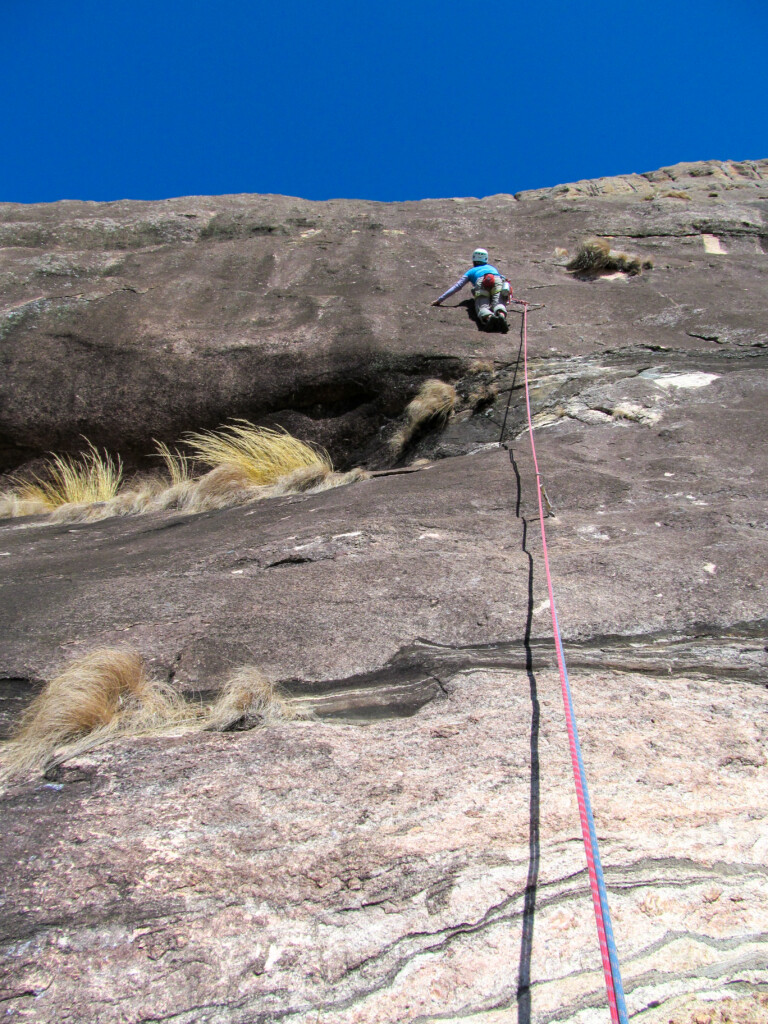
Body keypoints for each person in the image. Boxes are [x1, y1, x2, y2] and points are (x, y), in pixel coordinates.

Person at [432, 248, 511, 327]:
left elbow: (458, 286)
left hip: (481, 282)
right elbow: (502, 278)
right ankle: (501, 316)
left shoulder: (471, 271)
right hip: (497, 280)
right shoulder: (492, 268)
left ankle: (489, 318)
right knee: (499, 303)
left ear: (473, 259)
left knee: (482, 306)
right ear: (486, 259)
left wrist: (440, 300)